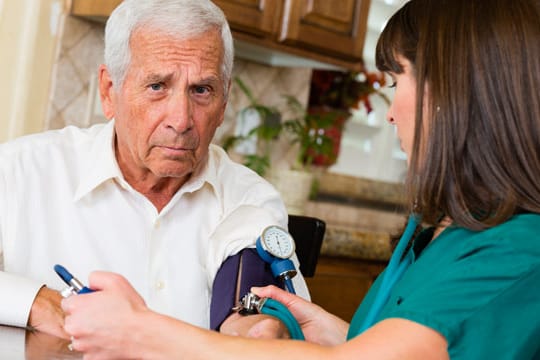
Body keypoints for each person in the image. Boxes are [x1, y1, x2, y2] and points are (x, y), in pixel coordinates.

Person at [61, 0, 540, 358]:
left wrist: (139, 329)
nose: (390, 112)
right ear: (110, 91)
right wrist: (339, 332)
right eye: (157, 87)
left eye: (398, 81)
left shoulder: (517, 252)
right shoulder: (435, 231)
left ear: (455, 92)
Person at [0, 0, 309, 340]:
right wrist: (38, 302)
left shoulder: (249, 200)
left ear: (224, 103)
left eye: (201, 90)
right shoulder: (20, 171)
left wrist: (260, 327)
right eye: (157, 86)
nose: (180, 120)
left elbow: (265, 326)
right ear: (108, 90)